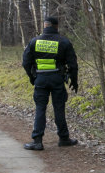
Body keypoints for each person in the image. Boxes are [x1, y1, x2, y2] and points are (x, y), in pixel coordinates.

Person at [22, 16, 79, 151]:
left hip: (40, 79)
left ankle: (37, 141)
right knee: (59, 108)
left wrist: (32, 77)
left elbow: (25, 62)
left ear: (45, 26)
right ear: (56, 26)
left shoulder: (34, 41)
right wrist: (74, 81)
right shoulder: (64, 42)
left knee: (40, 108)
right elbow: (73, 64)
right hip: (57, 79)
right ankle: (64, 138)